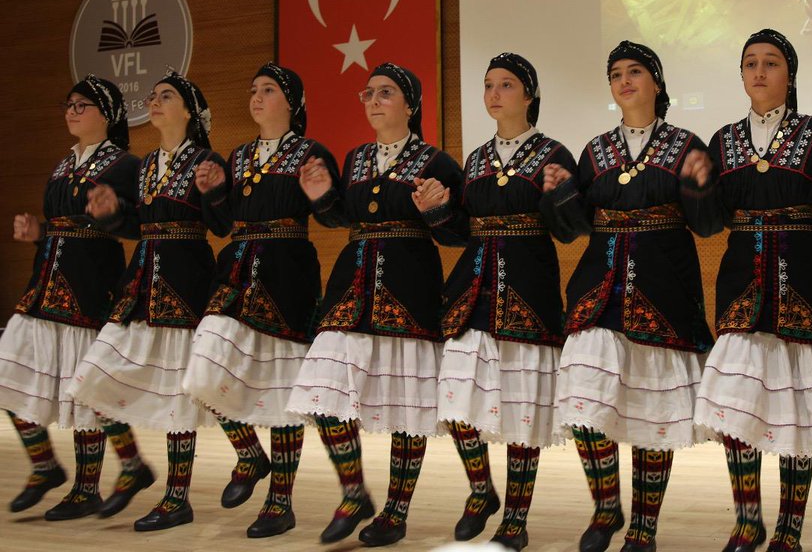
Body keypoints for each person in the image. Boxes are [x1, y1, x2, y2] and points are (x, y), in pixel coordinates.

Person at [543, 40, 722, 552]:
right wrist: (561, 192)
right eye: (616, 74)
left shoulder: (688, 144)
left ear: (657, 83)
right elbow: (573, 228)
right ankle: (605, 506)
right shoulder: (595, 150)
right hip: (599, 285)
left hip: (662, 286)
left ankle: (644, 525)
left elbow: (708, 226)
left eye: (635, 71)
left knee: (651, 410)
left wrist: (701, 189)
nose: (624, 81)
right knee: (582, 395)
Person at [695, 29, 812, 552]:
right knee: (734, 404)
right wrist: (695, 188)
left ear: (789, 75)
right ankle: (748, 521)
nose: (759, 71)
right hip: (742, 277)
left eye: (770, 63)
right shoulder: (722, 141)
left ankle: (789, 528)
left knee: (795, 410)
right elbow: (710, 220)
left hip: (803, 278)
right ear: (741, 75)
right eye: (750, 63)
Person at [287, 63, 464, 547]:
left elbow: (458, 234)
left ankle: (396, 510)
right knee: (322, 389)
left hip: (409, 288)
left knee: (407, 409)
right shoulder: (356, 158)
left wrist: (438, 211)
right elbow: (344, 215)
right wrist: (323, 197)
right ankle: (353, 491)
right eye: (368, 94)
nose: (373, 101)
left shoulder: (437, 161)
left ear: (410, 104)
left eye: (385, 93)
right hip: (352, 285)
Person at [182, 62, 340, 538]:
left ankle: (280, 501)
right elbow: (223, 222)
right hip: (236, 268)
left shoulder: (312, 152)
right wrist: (211, 193)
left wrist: (323, 194)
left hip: (286, 270)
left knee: (277, 388)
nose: (256, 97)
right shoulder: (239, 154)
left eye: (267, 90)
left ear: (291, 103)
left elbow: (333, 216)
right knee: (202, 366)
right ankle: (250, 455)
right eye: (253, 90)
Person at [69, 72, 229, 531]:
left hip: (185, 278)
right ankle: (135, 464)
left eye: (166, 97)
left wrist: (214, 191)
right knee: (92, 374)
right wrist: (112, 215)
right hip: (141, 280)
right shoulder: (145, 165)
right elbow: (137, 228)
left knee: (182, 392)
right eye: (152, 97)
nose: (154, 103)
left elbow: (220, 226)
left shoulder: (206, 158)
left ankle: (177, 498)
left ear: (188, 111)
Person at [434, 53, 580, 550]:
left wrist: (560, 198)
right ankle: (481, 490)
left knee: (521, 408)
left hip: (527, 287)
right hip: (472, 285)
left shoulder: (554, 152)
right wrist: (436, 212)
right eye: (488, 84)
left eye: (507, 84)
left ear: (530, 94)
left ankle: (515, 515)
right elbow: (458, 231)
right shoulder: (474, 159)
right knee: (454, 395)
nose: (494, 93)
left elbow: (568, 232)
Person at [0, 76, 139, 520]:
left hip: (89, 281)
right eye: (69, 105)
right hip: (45, 281)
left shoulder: (124, 165)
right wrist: (38, 232)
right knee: (7, 368)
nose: (71, 112)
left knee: (85, 388)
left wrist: (111, 213)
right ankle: (44, 465)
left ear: (107, 114)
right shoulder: (64, 164)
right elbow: (58, 222)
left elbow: (134, 225)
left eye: (82, 106)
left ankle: (88, 487)